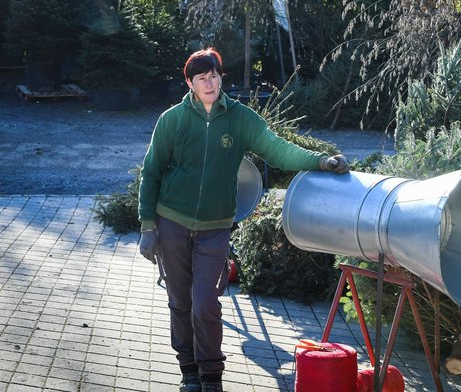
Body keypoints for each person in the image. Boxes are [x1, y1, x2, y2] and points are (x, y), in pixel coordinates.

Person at [137, 48, 349, 392]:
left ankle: (211, 375)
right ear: (189, 83)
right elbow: (152, 172)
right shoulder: (172, 120)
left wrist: (320, 161)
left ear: (221, 78)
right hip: (171, 222)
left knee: (205, 302)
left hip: (215, 226)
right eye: (201, 78)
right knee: (180, 301)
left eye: (214, 76)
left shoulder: (240, 118)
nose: (209, 83)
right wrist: (148, 226)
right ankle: (188, 370)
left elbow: (277, 149)